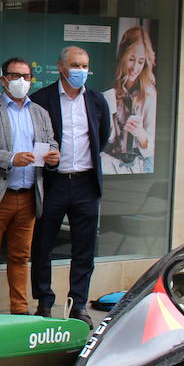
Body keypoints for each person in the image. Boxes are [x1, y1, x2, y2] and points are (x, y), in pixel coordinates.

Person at [0, 58, 58, 314]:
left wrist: (54, 155)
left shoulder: (40, 112)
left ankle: (20, 310)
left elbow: (51, 142)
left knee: (20, 256)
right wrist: (11, 158)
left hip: (29, 195)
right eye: (15, 75)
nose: (21, 81)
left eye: (26, 77)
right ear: (3, 79)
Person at [31, 46, 112, 323]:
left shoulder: (98, 100)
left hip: (85, 183)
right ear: (61, 67)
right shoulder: (41, 99)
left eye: (85, 66)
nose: (80, 71)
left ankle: (78, 304)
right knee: (43, 245)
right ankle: (44, 302)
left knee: (84, 249)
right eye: (75, 65)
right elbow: (34, 138)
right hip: (53, 182)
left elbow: (102, 137)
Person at [102, 26, 157, 174]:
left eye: (141, 61)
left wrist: (140, 134)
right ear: (122, 57)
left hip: (138, 164)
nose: (135, 67)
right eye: (131, 59)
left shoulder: (149, 94)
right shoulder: (108, 88)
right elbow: (105, 140)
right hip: (109, 162)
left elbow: (151, 151)